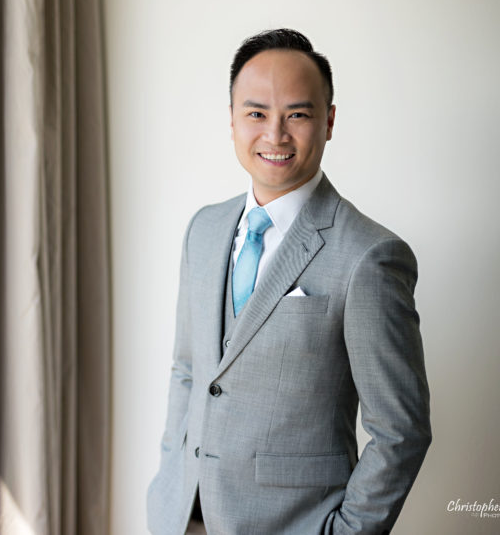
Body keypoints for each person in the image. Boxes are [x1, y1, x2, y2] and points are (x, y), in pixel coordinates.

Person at [146, 29, 431, 534]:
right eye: (256, 113)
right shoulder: (204, 230)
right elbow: (189, 371)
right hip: (183, 515)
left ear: (329, 121)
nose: (275, 135)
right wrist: (167, 484)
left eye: (297, 114)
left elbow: (400, 430)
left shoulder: (370, 256)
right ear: (231, 120)